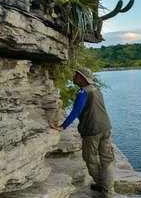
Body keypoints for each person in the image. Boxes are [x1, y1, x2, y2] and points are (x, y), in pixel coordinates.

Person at [49, 67, 115, 198]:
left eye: (76, 75)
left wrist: (63, 127)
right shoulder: (97, 90)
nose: (74, 77)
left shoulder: (82, 92)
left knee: (90, 159)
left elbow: (76, 111)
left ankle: (103, 186)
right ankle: (109, 191)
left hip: (92, 131)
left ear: (83, 78)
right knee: (107, 161)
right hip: (106, 128)